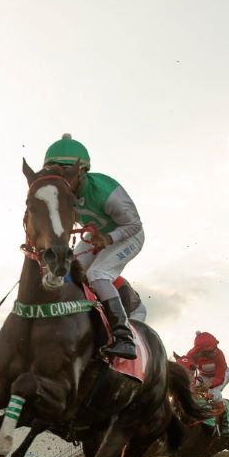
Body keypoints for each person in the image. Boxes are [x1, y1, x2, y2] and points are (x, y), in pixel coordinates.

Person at [42, 134, 144, 359]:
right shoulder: (60, 196)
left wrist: (108, 239)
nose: (61, 182)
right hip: (95, 235)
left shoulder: (106, 192)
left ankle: (124, 337)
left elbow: (134, 224)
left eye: (66, 174)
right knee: (67, 270)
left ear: (82, 172)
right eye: (55, 175)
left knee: (98, 274)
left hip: (127, 235)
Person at [178, 331, 229, 415]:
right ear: (201, 351)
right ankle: (207, 403)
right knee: (194, 389)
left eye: (215, 347)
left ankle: (222, 412)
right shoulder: (192, 354)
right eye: (210, 350)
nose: (215, 351)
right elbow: (186, 367)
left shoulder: (219, 355)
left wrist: (210, 384)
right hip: (204, 375)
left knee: (212, 391)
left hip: (223, 374)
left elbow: (220, 377)